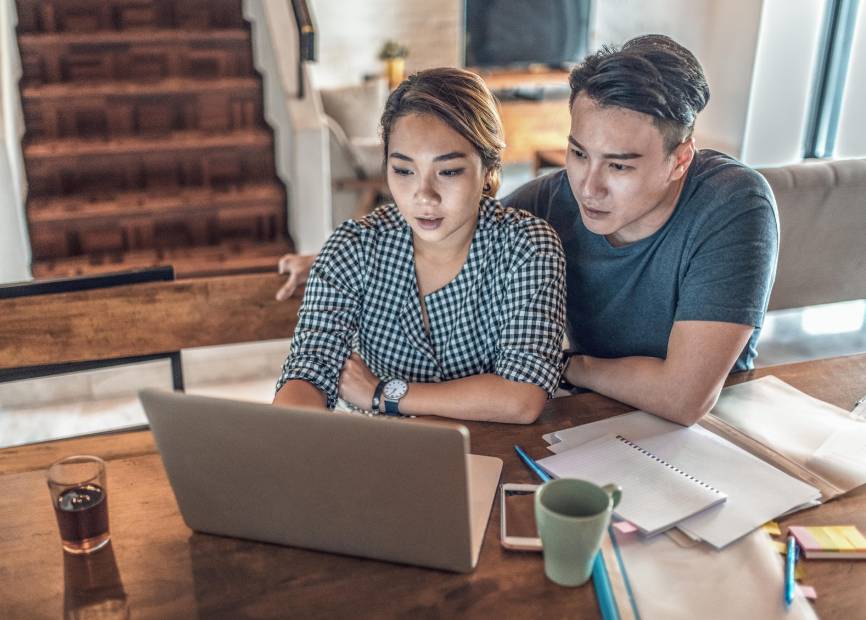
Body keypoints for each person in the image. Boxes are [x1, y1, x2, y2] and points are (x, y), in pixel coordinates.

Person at [276, 35, 779, 427]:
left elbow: (684, 397)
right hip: (585, 422)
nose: (589, 186)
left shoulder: (731, 203)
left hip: (710, 432)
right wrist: (328, 259)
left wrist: (564, 367)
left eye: (619, 167)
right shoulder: (552, 200)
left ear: (679, 160)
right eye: (578, 153)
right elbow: (451, 225)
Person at [273, 68, 567, 424]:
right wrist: (285, 436)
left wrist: (383, 393)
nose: (423, 196)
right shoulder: (353, 247)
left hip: (496, 453)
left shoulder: (527, 248)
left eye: (449, 171)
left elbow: (522, 397)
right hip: (386, 454)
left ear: (489, 168)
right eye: (403, 170)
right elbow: (310, 368)